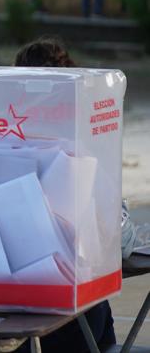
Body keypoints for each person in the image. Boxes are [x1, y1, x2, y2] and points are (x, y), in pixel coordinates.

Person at [13, 37, 117, 353]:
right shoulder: (85, 150)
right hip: (87, 317)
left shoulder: (6, 150)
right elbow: (109, 233)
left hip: (42, 321)